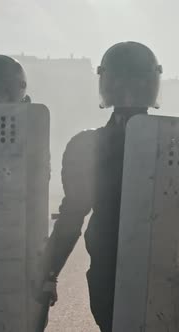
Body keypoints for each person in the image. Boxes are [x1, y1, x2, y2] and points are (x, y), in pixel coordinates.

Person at [39, 41, 163, 331]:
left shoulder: (88, 145)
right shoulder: (175, 142)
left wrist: (48, 272)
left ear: (105, 82)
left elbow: (71, 216)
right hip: (149, 275)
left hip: (120, 275)